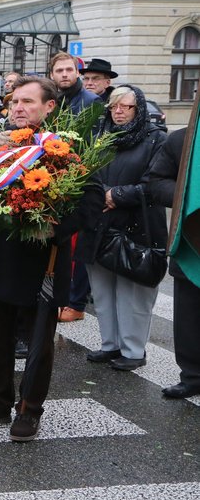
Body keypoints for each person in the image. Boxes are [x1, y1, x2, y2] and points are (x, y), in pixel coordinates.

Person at [0, 75, 104, 442]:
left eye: (27, 102)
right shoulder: (0, 147)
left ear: (49, 106)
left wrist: (53, 227)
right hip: (5, 256)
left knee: (38, 342)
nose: (19, 108)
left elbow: (91, 202)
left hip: (45, 262)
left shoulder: (63, 148)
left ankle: (29, 409)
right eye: (15, 102)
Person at [75, 85, 166, 370]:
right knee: (102, 291)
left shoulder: (156, 139)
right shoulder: (99, 136)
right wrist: (98, 194)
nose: (119, 111)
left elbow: (156, 183)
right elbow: (84, 172)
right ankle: (110, 344)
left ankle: (133, 350)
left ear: (138, 110)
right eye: (114, 106)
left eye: (126, 107)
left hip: (137, 226)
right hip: (100, 222)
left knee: (132, 293)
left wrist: (116, 195)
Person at [147, 96, 200, 399]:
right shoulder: (181, 140)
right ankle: (192, 374)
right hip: (191, 240)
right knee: (189, 312)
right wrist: (189, 199)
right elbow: (157, 181)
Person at [49, 52, 100, 322]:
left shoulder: (91, 102)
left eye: (69, 70)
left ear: (77, 73)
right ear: (52, 75)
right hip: (52, 181)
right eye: (60, 71)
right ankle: (58, 296)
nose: (65, 74)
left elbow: (95, 146)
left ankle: (75, 302)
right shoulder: (51, 101)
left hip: (79, 181)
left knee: (76, 246)